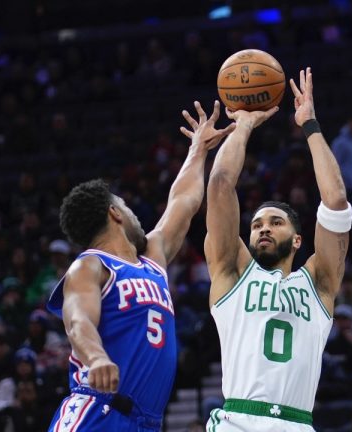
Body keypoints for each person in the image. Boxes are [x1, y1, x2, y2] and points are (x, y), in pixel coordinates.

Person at [46, 100, 236, 431]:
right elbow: (78, 323)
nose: (133, 213)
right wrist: (97, 358)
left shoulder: (152, 261)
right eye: (126, 206)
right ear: (115, 213)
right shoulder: (90, 266)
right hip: (97, 412)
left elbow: (184, 202)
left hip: (145, 422)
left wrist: (198, 149)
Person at [204, 68, 351, 431]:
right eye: (256, 225)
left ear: (298, 240)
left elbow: (335, 200)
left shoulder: (318, 283)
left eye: (275, 222)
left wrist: (310, 124)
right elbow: (221, 185)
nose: (264, 228)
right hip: (237, 421)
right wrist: (243, 126)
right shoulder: (231, 273)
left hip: (297, 424)